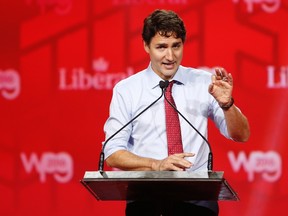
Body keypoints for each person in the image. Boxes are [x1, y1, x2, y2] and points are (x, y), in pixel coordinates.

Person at [102, 9, 250, 216]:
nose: (170, 56)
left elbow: (241, 135)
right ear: (146, 46)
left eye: (176, 46)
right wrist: (156, 165)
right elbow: (113, 154)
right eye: (161, 47)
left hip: (197, 202)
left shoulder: (203, 82)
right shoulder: (127, 89)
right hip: (146, 200)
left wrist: (227, 105)